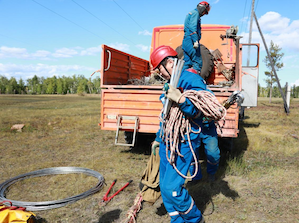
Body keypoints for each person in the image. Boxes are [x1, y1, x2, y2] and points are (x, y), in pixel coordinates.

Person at [150, 45, 206, 223]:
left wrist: (182, 100)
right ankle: (177, 221)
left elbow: (203, 110)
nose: (160, 73)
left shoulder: (191, 79)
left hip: (183, 141)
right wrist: (158, 139)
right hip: (167, 140)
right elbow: (166, 115)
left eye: (160, 69)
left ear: (169, 63)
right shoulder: (170, 83)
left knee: (172, 188)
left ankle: (194, 219)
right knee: (165, 189)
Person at [182, 1, 211, 74]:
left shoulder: (191, 13)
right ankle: (194, 82)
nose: (204, 14)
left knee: (187, 63)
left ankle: (182, 79)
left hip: (186, 41)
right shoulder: (195, 14)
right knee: (197, 62)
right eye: (204, 12)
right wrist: (195, 40)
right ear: (203, 8)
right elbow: (192, 27)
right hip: (191, 40)